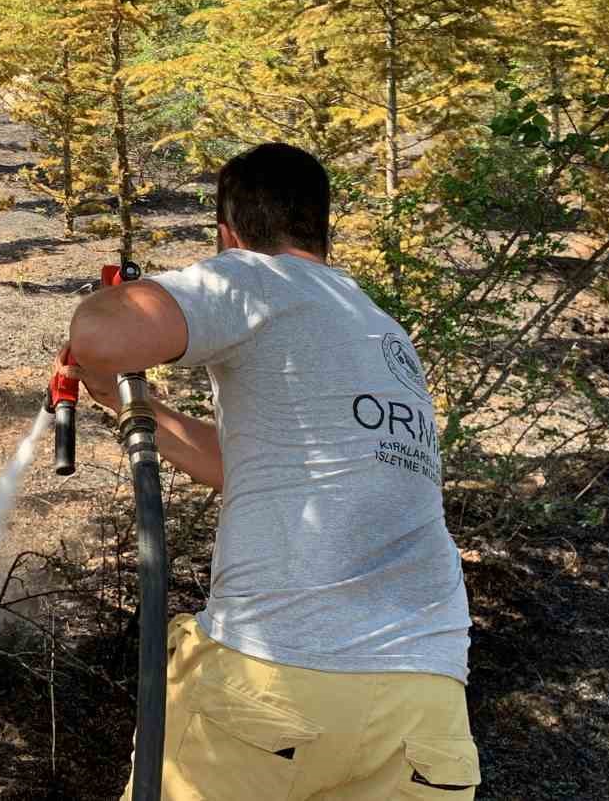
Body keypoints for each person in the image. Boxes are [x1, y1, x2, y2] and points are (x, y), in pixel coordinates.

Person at [56, 142, 479, 800]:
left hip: (278, 678)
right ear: (321, 226)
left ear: (230, 235)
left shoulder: (257, 278)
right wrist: (127, 404)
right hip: (426, 702)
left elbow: (101, 334)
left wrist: (106, 346)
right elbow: (246, 467)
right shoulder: (380, 329)